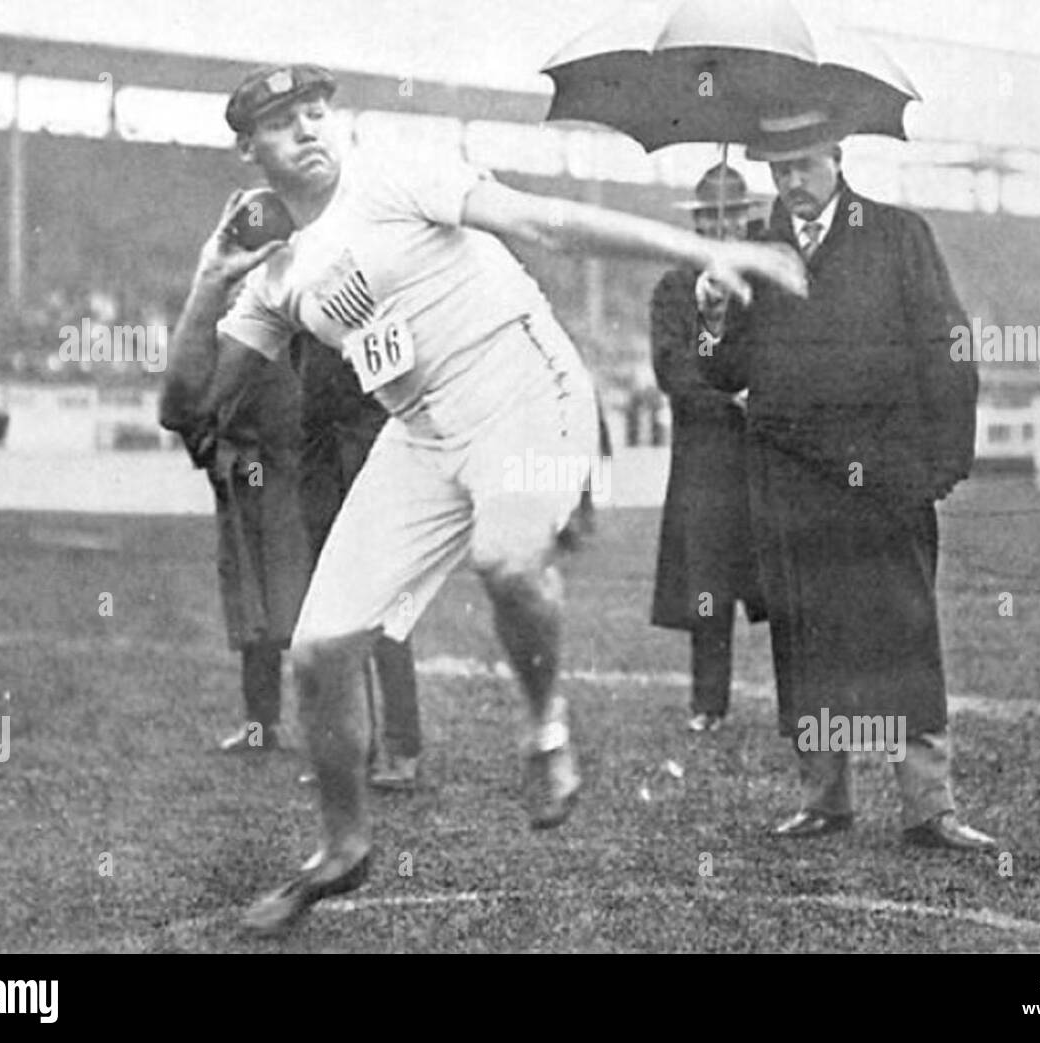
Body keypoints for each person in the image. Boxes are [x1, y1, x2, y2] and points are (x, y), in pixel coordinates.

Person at [168, 63, 806, 934]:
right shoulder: (273, 271)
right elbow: (192, 402)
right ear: (248, 149)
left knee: (507, 558)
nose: (310, 130)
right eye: (283, 124)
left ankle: (545, 731)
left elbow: (547, 222)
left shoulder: (392, 169)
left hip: (521, 382)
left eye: (317, 111)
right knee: (318, 651)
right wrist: (210, 279)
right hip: (418, 432)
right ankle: (342, 846)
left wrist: (704, 247)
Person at [700, 113, 996, 850]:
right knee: (805, 635)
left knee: (903, 631)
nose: (790, 182)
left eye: (802, 164)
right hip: (788, 481)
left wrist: (943, 460)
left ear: (836, 157)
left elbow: (949, 346)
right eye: (777, 169)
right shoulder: (754, 254)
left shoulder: (899, 236)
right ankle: (825, 797)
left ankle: (930, 806)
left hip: (885, 476)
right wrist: (711, 316)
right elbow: (724, 370)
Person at [158, 292, 312, 756]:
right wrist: (209, 451)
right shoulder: (227, 335)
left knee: (304, 605)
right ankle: (260, 725)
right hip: (244, 481)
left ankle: (323, 730)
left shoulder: (300, 334)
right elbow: (187, 408)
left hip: (290, 480)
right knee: (254, 609)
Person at [650, 163, 768, 733]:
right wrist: (730, 395)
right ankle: (708, 704)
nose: (723, 226)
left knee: (789, 582)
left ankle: (804, 706)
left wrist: (759, 394)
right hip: (705, 460)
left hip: (769, 453)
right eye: (711, 218)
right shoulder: (675, 288)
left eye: (732, 216)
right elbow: (673, 369)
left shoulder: (765, 284)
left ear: (748, 220)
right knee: (708, 588)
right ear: (697, 224)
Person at [293, 329, 422, 789]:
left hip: (372, 452)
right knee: (331, 606)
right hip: (319, 456)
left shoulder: (375, 284)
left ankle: (402, 747)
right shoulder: (303, 289)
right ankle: (349, 749)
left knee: (385, 609)